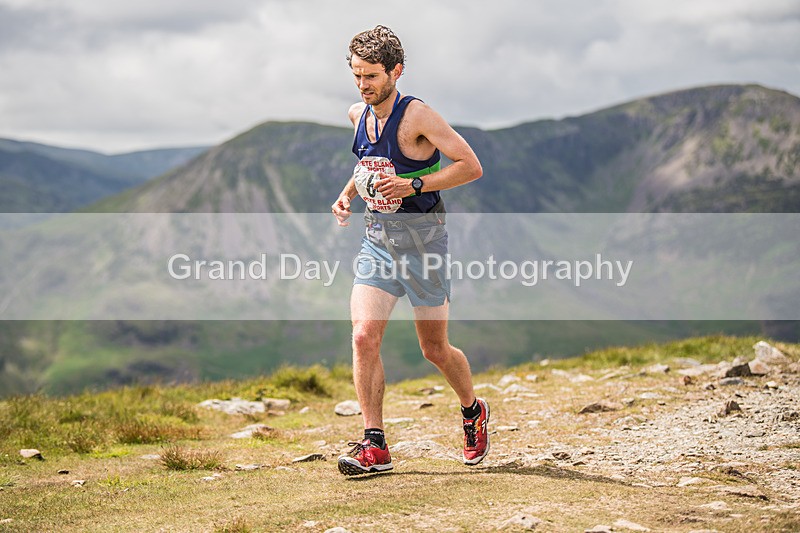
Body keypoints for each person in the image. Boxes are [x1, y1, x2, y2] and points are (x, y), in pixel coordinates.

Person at [331, 25, 489, 476]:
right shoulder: (356, 115)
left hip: (424, 242)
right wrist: (348, 194)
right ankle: (374, 445)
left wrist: (414, 183)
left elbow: (471, 166)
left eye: (372, 76)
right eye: (357, 75)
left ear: (396, 72)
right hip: (377, 239)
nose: (364, 85)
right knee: (363, 335)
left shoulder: (417, 116)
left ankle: (472, 410)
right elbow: (367, 164)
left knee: (434, 349)